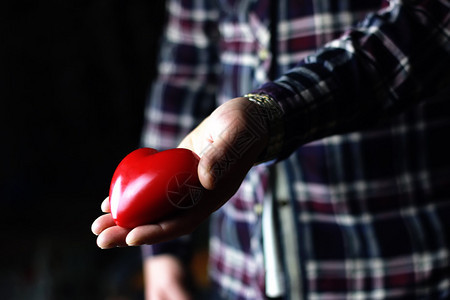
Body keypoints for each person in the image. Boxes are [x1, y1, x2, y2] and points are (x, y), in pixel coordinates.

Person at [92, 0, 450, 299]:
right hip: (241, 273)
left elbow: (431, 19)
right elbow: (186, 72)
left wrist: (272, 113)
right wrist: (163, 256)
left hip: (393, 264)